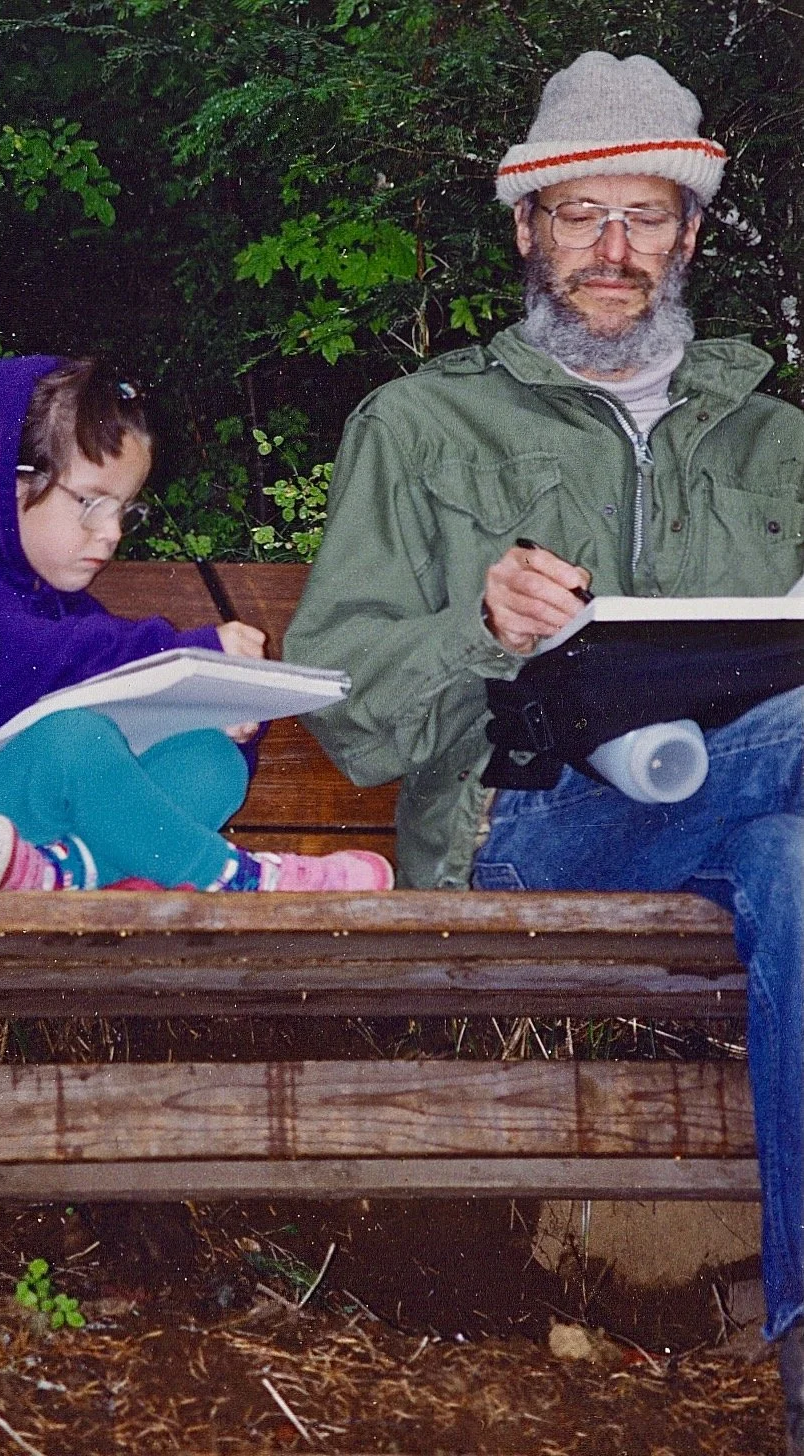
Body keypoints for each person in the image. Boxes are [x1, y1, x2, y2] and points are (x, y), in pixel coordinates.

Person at [284, 52, 803, 1449]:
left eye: (645, 215)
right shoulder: (418, 425)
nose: (611, 250)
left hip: (737, 828)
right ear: (526, 227)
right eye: (580, 215)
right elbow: (341, 716)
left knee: (797, 861)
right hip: (519, 829)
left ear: (688, 236)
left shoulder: (777, 446)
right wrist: (473, 625)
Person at [0, 355, 393, 894]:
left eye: (124, 509)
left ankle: (60, 875)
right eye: (92, 503)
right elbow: (43, 661)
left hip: (32, 837)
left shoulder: (67, 606)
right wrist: (188, 650)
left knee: (212, 761)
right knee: (73, 741)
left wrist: (217, 710)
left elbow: (118, 695)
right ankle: (235, 878)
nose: (112, 533)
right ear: (6, 484)